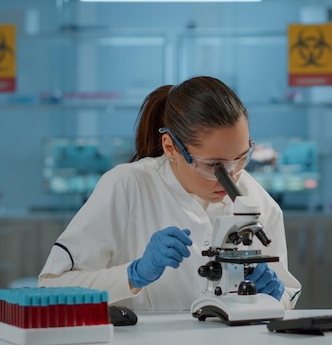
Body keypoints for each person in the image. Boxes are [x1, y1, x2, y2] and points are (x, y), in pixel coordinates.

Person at [39, 76, 302, 311]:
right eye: (214, 166)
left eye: (241, 159)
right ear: (171, 148)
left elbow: (286, 299)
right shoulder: (126, 186)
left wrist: (274, 295)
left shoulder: (257, 201)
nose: (232, 178)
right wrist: (132, 275)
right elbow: (51, 289)